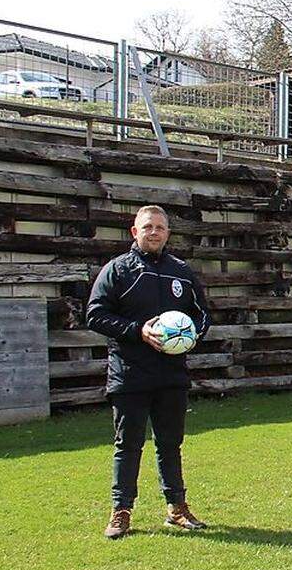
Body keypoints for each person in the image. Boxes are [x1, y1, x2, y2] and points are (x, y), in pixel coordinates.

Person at [87, 205, 211, 539]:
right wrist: (137, 330)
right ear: (135, 231)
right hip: (130, 374)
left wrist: (191, 335)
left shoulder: (181, 271)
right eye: (147, 227)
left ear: (168, 233)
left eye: (160, 227)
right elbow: (95, 315)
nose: (154, 232)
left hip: (171, 374)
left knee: (170, 444)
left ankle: (177, 508)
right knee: (128, 445)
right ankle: (121, 511)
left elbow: (202, 315)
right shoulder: (118, 270)